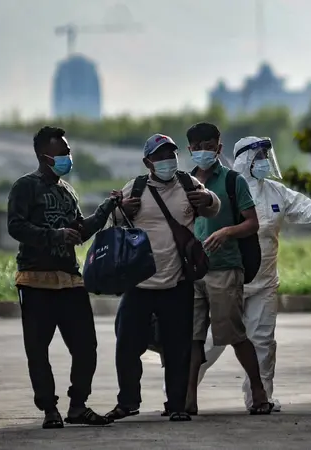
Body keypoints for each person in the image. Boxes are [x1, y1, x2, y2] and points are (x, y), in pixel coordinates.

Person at [163, 135, 311, 413]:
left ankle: (261, 398)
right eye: (259, 159)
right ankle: (179, 394)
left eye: (266, 158)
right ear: (245, 160)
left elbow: (307, 210)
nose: (264, 164)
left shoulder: (276, 192)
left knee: (263, 343)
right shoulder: (228, 187)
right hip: (228, 278)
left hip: (264, 282)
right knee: (209, 344)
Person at [104, 133, 220, 423]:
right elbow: (113, 223)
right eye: (160, 156)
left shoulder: (188, 183)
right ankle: (128, 402)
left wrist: (208, 198)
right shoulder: (137, 187)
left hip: (177, 281)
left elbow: (212, 206)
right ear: (148, 162)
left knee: (178, 347)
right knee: (127, 345)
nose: (168, 160)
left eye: (171, 154)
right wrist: (121, 212)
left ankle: (177, 405)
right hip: (140, 282)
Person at [7, 126, 117, 429]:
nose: (69, 156)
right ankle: (49, 409)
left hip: (70, 280)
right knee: (38, 349)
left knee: (86, 346)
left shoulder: (68, 192)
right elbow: (15, 226)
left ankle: (78, 405)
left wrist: (107, 208)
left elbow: (80, 231)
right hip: (35, 280)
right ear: (45, 155)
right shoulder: (25, 187)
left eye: (68, 151)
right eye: (63, 152)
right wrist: (53, 235)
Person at [181, 122, 273, 415]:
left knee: (233, 334)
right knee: (193, 339)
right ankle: (188, 399)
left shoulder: (233, 181)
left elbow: (252, 223)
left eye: (210, 146)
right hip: (190, 270)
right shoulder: (183, 183)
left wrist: (227, 232)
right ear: (190, 150)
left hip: (224, 268)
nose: (204, 152)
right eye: (198, 147)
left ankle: (258, 391)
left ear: (219, 148)